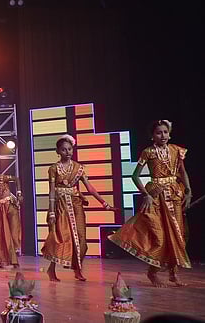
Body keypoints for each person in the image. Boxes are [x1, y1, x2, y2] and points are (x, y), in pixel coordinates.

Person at [109, 120, 192, 287]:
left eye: (165, 132)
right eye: (159, 133)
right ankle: (152, 272)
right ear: (152, 136)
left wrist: (189, 191)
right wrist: (146, 195)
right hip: (156, 196)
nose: (163, 136)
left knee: (178, 235)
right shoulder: (148, 152)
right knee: (159, 237)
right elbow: (135, 176)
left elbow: (182, 171)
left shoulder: (176, 150)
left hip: (175, 194)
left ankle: (173, 274)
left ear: (169, 134)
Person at [42, 134, 117, 282]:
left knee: (81, 239)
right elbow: (51, 190)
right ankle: (51, 269)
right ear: (58, 151)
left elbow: (90, 188)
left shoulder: (79, 168)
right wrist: (51, 211)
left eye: (69, 149)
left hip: (76, 205)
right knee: (61, 237)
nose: (67, 152)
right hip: (60, 205)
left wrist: (105, 204)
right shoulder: (53, 168)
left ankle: (78, 269)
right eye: (63, 150)